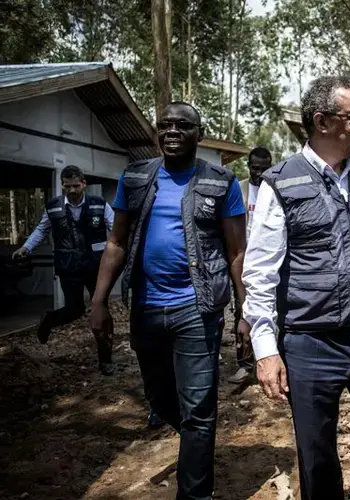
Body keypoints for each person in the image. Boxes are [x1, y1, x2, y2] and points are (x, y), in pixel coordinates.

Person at [243, 75, 350, 500]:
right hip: (310, 342)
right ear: (322, 122)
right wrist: (266, 351)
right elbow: (260, 273)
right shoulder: (280, 183)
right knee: (317, 456)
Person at [89, 101, 248, 499]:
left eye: (183, 125)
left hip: (197, 308)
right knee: (159, 398)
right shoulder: (137, 177)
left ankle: (194, 492)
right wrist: (99, 301)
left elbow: (237, 253)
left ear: (199, 133)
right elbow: (116, 241)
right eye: (165, 125)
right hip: (145, 306)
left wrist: (247, 312)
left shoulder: (221, 181)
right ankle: (199, 440)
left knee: (197, 408)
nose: (172, 131)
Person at [12, 165, 115, 375]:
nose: (72, 191)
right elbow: (41, 230)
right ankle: (49, 320)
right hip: (69, 267)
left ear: (84, 183)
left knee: (101, 310)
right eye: (67, 186)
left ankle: (105, 359)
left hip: (96, 267)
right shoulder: (53, 207)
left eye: (76, 185)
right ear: (62, 186)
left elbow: (115, 228)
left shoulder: (99, 204)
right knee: (75, 309)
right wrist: (26, 247)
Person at [228, 146, 273, 385]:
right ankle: (244, 364)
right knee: (242, 310)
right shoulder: (240, 189)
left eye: (265, 169)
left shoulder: (276, 188)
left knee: (273, 312)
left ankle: (270, 360)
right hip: (244, 264)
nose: (260, 174)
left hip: (271, 262)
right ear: (249, 167)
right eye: (255, 169)